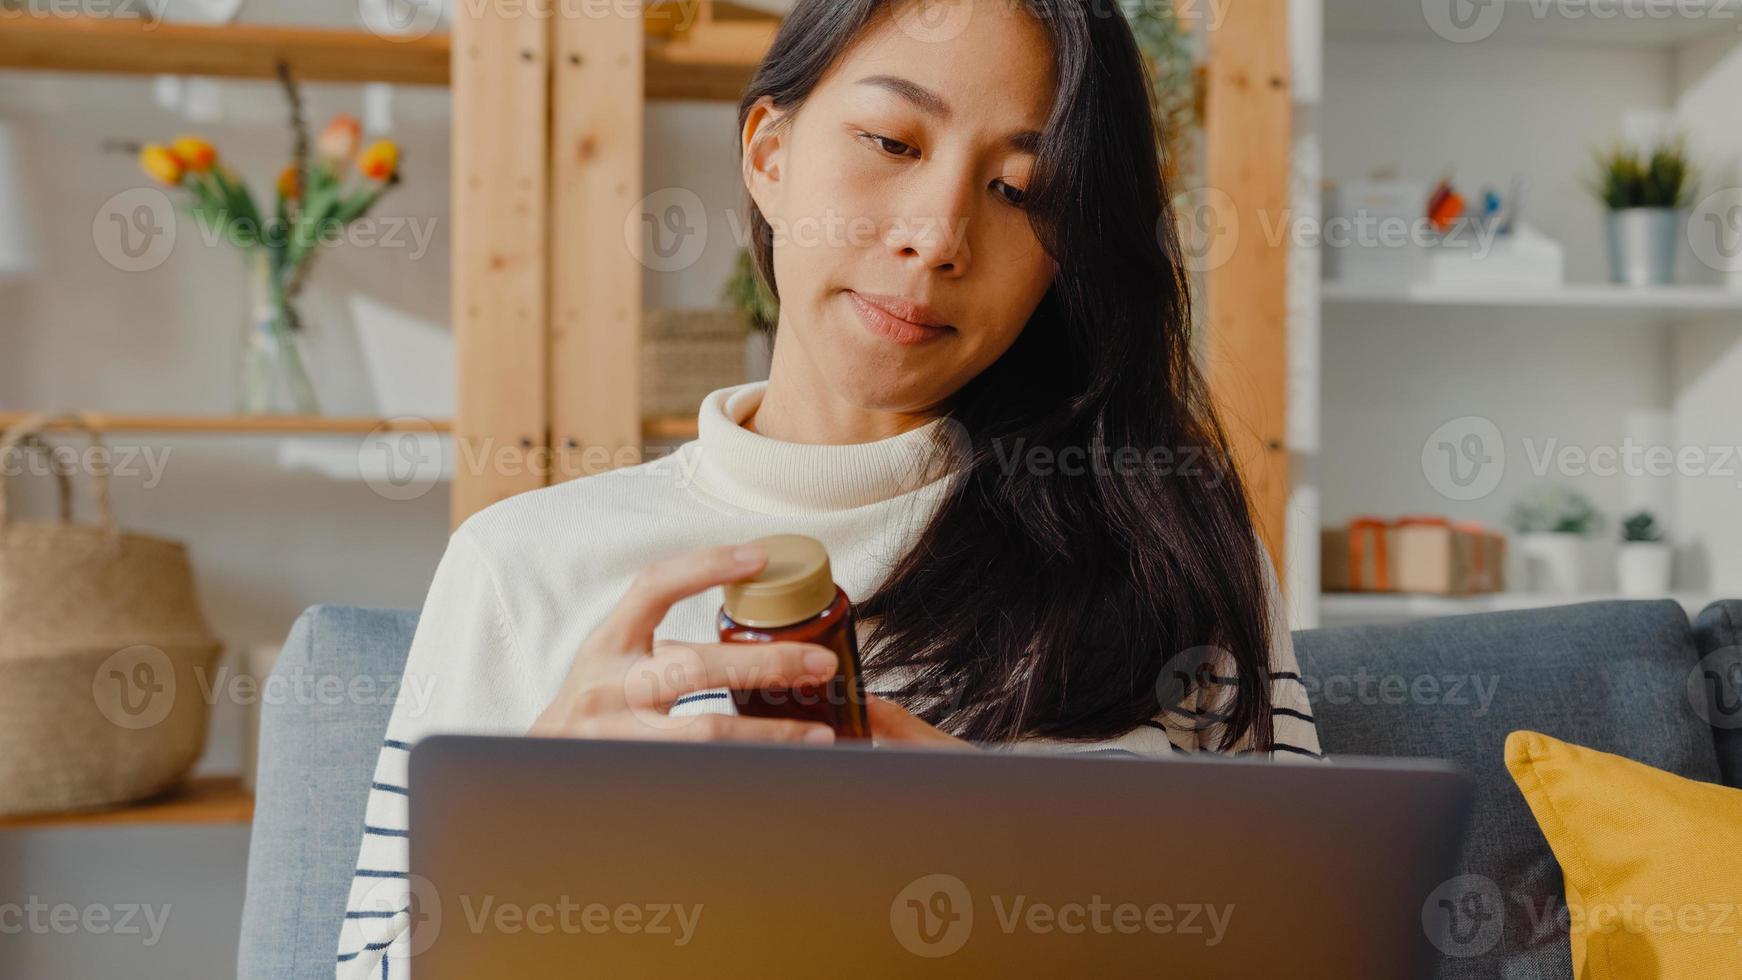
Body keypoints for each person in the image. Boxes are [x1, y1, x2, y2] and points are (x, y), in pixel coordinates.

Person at [337, 1, 1321, 975]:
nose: (937, 237)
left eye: (1020, 190)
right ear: (769, 154)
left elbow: (1314, 938)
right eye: (892, 141)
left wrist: (1003, 840)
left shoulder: (1166, 551)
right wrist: (522, 833)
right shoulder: (519, 563)